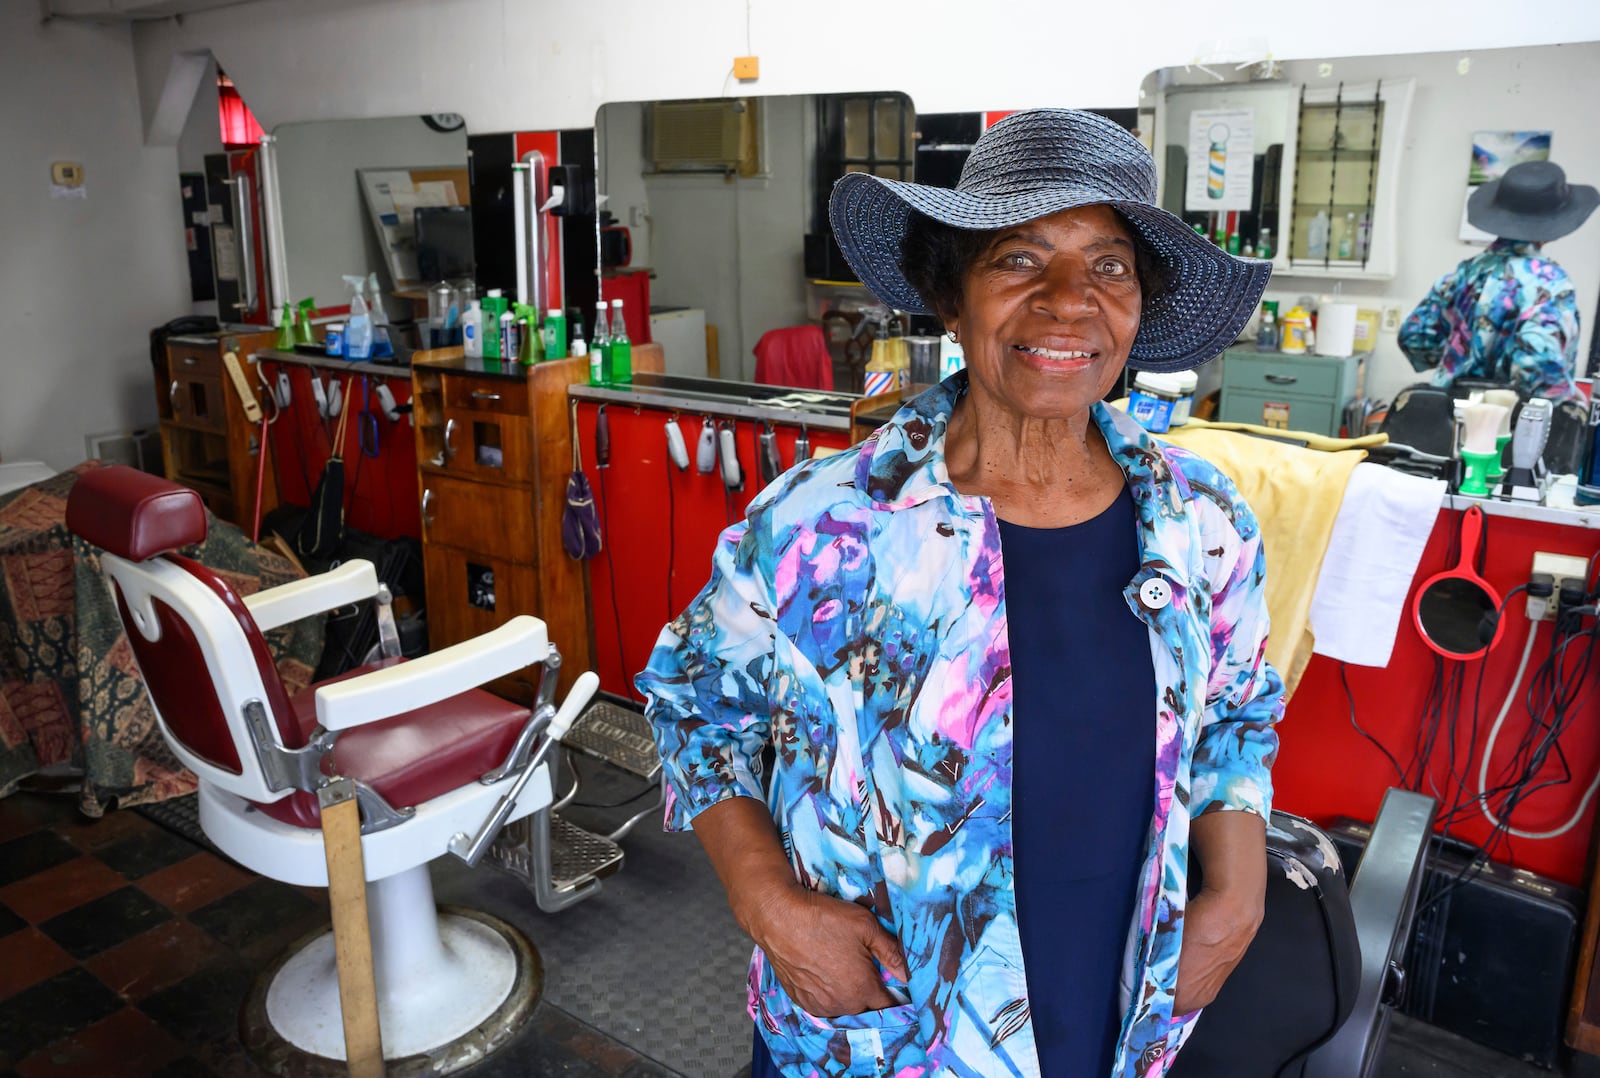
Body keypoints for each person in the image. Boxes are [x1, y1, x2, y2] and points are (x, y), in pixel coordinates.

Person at [638, 109, 1283, 1078]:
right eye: (1021, 259)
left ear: (1139, 304)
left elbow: (1237, 714)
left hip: (1110, 1014)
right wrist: (767, 902)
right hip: (882, 1032)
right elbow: (692, 702)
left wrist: (1237, 896)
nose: (1069, 301)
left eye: (1107, 266)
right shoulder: (823, 524)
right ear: (950, 293)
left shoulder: (1204, 521)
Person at [1399, 159, 1598, 400]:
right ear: (1554, 223)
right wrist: (1567, 396)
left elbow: (1415, 336)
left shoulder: (1465, 272)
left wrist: (1458, 360)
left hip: (1447, 410)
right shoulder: (1551, 284)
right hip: (1510, 423)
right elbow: (1539, 362)